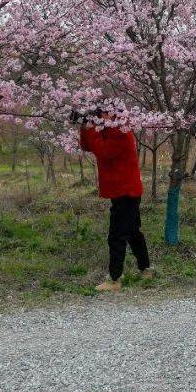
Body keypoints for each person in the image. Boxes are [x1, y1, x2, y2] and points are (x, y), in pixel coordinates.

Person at [78, 109, 153, 292]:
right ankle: (146, 269)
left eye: (101, 113)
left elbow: (103, 151)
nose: (99, 117)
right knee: (132, 231)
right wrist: (85, 124)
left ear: (112, 113)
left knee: (117, 235)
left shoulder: (121, 130)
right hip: (121, 190)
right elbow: (87, 146)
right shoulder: (108, 128)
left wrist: (93, 126)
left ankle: (114, 279)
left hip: (126, 190)